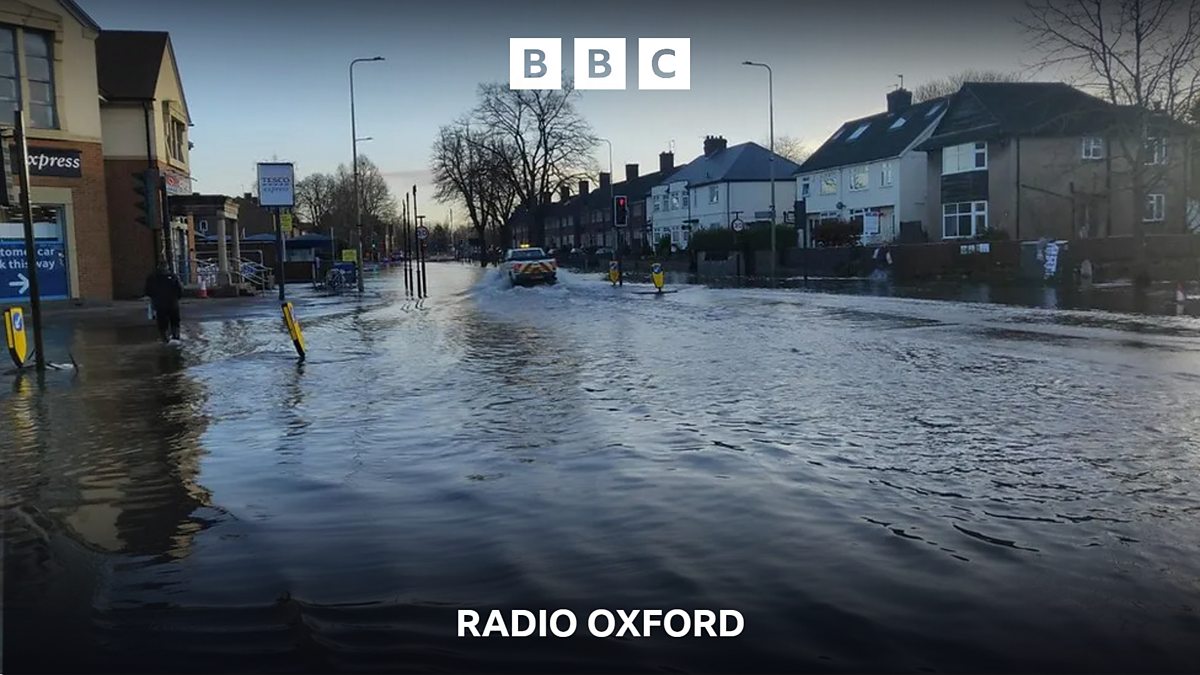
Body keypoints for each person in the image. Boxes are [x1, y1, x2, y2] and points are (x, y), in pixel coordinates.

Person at [144, 264, 183, 342]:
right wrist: (176, 298)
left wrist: (154, 298)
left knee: (162, 322)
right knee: (175, 321)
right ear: (167, 268)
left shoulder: (152, 278)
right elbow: (179, 289)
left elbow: (148, 291)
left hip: (159, 304)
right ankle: (176, 337)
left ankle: (165, 338)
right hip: (172, 303)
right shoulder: (173, 277)